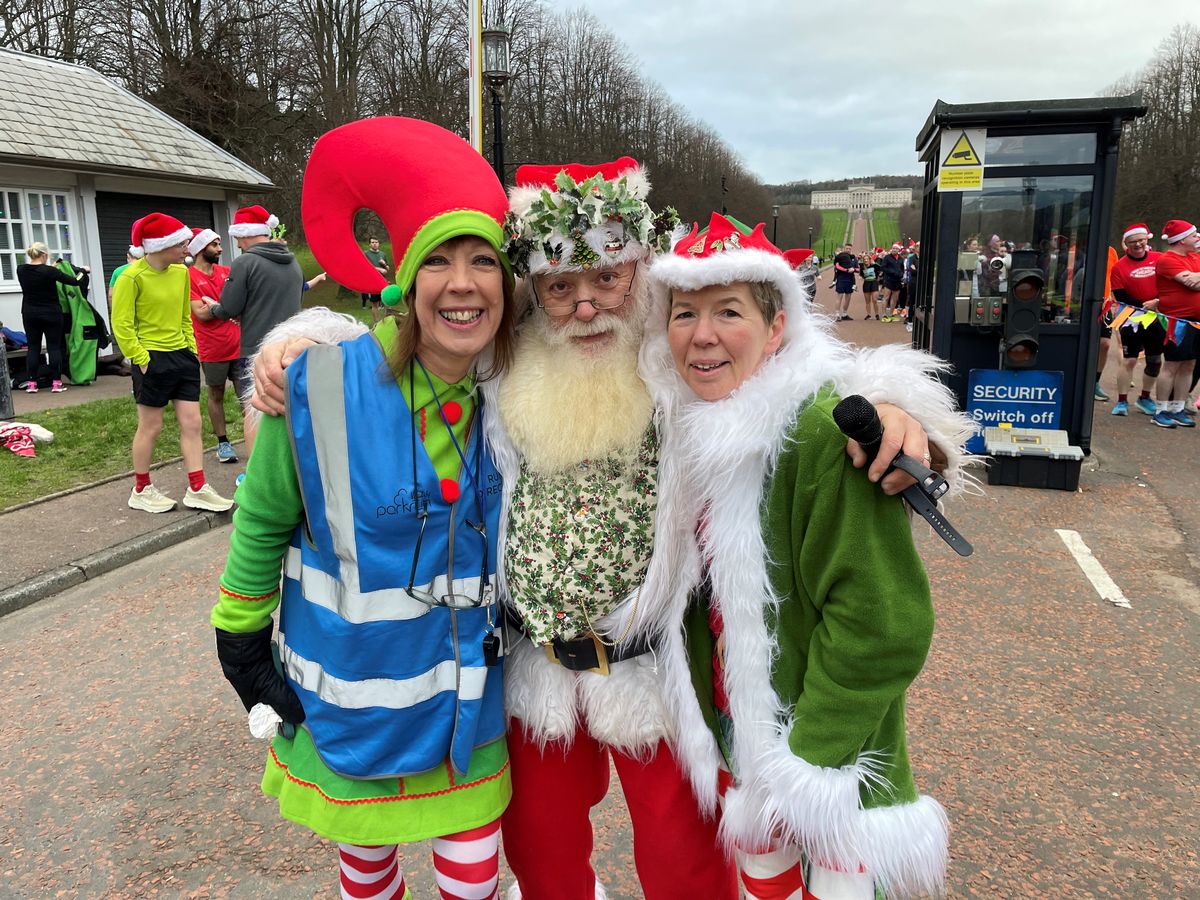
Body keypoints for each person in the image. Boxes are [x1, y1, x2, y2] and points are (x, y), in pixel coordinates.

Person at [251, 158, 970, 899]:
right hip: (532, 667)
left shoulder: (674, 352)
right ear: (534, 289)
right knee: (545, 862)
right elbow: (412, 347)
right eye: (561, 286)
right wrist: (305, 337)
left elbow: (790, 370)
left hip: (653, 667)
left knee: (685, 867)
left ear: (641, 271)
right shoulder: (501, 356)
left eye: (608, 278)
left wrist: (890, 405)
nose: (587, 305)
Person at [211, 117, 517, 900]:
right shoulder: (318, 385)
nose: (462, 282)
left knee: (474, 883)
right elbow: (262, 521)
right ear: (406, 283)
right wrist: (239, 643)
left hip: (467, 705)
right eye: (438, 262)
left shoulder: (522, 390)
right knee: (369, 878)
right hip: (353, 699)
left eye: (483, 261)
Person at [642, 213, 964, 900]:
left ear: (777, 326)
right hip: (746, 735)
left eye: (727, 311)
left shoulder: (822, 433)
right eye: (684, 313)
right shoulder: (692, 428)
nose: (700, 335)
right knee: (766, 885)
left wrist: (810, 760)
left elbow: (882, 626)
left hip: (823, 751)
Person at [111, 214, 233, 513]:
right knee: (151, 426)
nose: (187, 248)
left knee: (192, 423)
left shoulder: (181, 274)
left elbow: (183, 317)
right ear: (161, 245)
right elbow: (122, 324)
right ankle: (140, 489)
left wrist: (190, 350)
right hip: (150, 359)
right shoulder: (131, 277)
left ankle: (197, 487)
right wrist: (140, 359)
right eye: (181, 243)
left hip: (182, 357)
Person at [191, 204, 304, 456]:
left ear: (245, 233)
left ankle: (254, 476)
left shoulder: (245, 262)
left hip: (256, 349)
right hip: (291, 348)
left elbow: (229, 307)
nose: (238, 244)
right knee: (284, 408)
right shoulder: (292, 261)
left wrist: (215, 307)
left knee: (255, 409)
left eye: (237, 238)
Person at [187, 228, 242, 463]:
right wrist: (224, 307)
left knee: (247, 394)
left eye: (220, 244)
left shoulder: (227, 272)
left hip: (239, 344)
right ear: (201, 248)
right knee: (216, 393)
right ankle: (223, 443)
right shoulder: (187, 277)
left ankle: (258, 440)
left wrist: (215, 303)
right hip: (212, 347)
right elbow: (201, 314)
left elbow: (240, 302)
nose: (220, 248)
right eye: (215, 244)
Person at [16, 241, 87, 392]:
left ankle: (32, 384)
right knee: (54, 347)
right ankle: (56, 383)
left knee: (33, 348)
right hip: (51, 313)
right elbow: (74, 281)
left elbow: (38, 273)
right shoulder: (50, 272)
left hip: (29, 313)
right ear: (44, 255)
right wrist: (84, 271)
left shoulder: (21, 269)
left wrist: (50, 268)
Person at [1109, 223, 1164, 417]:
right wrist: (1144, 304)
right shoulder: (1119, 267)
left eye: (1141, 240)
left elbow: (1169, 284)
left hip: (1157, 317)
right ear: (1127, 244)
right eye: (1133, 242)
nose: (1138, 245)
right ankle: (1122, 401)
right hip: (1130, 317)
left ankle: (1145, 397)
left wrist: (1157, 302)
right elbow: (1120, 295)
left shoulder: (1160, 259)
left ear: (1147, 239)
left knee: (1155, 360)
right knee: (1130, 360)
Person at [1152, 219, 1200, 427]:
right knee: (1171, 366)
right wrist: (1196, 278)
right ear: (1181, 240)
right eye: (1193, 235)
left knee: (1189, 365)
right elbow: (1190, 284)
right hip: (1177, 322)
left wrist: (1197, 276)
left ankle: (1178, 408)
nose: (1197, 237)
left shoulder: (1194, 258)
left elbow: (1196, 281)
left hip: (1197, 322)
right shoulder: (1167, 259)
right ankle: (1161, 410)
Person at [362, 236, 389, 315]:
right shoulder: (366, 254)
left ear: (378, 243)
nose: (374, 244)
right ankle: (376, 323)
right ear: (370, 244)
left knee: (386, 302)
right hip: (373, 282)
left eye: (376, 242)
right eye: (373, 242)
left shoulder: (382, 254)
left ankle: (388, 321)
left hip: (383, 281)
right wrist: (379, 269)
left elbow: (387, 268)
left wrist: (384, 264)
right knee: (375, 304)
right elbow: (365, 266)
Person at [831, 243, 858, 320]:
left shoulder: (854, 258)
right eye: (847, 248)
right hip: (841, 278)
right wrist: (846, 270)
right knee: (840, 296)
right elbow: (837, 266)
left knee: (848, 297)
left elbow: (858, 268)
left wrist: (854, 269)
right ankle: (837, 314)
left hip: (850, 279)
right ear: (844, 249)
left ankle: (844, 313)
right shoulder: (840, 257)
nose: (848, 250)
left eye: (849, 249)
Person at [879, 242, 905, 322]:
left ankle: (890, 314)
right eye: (893, 248)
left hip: (897, 280)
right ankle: (883, 314)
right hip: (889, 280)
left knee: (895, 298)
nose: (894, 250)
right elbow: (883, 267)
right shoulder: (887, 257)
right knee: (886, 297)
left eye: (896, 248)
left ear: (899, 250)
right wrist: (892, 272)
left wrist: (901, 274)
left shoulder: (900, 258)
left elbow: (902, 268)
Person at [858, 251, 880, 320]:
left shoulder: (874, 266)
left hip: (874, 283)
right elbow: (861, 275)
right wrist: (861, 277)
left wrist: (879, 276)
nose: (866, 260)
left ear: (870, 259)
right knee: (867, 301)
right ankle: (869, 314)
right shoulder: (862, 267)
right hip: (866, 283)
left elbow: (881, 270)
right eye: (864, 259)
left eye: (867, 259)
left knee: (874, 300)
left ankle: (877, 314)